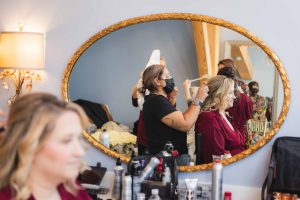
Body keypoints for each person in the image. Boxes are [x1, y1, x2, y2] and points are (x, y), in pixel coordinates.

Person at [0, 93, 92, 200]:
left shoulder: (76, 192)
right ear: (30, 145)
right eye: (66, 141)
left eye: (79, 138)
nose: (80, 152)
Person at [141, 64, 209, 155]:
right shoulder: (157, 101)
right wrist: (199, 99)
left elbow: (182, 117)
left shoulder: (158, 100)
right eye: (167, 76)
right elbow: (185, 124)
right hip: (168, 159)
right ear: (157, 81)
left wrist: (172, 98)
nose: (171, 78)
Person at [131, 50, 177, 155]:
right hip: (145, 130)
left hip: (162, 130)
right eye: (158, 66)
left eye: (163, 67)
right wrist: (141, 81)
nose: (161, 69)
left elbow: (172, 108)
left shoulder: (167, 85)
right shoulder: (143, 85)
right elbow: (134, 102)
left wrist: (173, 97)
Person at [195, 75, 245, 164]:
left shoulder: (223, 115)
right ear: (218, 95)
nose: (234, 97)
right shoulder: (209, 119)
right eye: (230, 93)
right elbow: (216, 159)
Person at [217, 66, 253, 144]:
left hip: (225, 141)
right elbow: (248, 117)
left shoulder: (218, 100)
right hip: (239, 140)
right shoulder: (245, 98)